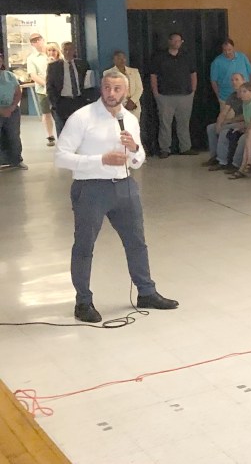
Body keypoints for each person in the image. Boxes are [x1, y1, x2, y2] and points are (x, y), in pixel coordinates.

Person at [54, 69, 179, 323]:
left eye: (117, 89)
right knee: (84, 246)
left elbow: (138, 160)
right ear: (101, 89)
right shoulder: (82, 118)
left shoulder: (130, 119)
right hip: (90, 188)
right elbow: (60, 156)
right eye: (107, 88)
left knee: (137, 242)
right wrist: (100, 159)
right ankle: (83, 302)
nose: (112, 94)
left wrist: (134, 148)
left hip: (124, 187)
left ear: (126, 91)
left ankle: (146, 291)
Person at [148, 35, 198, 156]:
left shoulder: (187, 56)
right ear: (169, 41)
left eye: (179, 41)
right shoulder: (159, 57)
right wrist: (155, 92)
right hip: (165, 96)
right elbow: (153, 75)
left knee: (184, 123)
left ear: (182, 42)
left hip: (185, 95)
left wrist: (193, 90)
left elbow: (193, 73)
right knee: (165, 123)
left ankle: (185, 148)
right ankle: (165, 149)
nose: (177, 43)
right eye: (174, 40)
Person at [46, 41, 93, 135]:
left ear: (74, 50)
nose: (68, 52)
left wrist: (87, 100)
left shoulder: (82, 64)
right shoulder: (54, 66)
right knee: (63, 132)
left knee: (80, 130)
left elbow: (88, 83)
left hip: (79, 101)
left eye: (70, 49)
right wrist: (55, 103)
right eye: (65, 50)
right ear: (62, 51)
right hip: (63, 102)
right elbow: (50, 86)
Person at [203, 72, 246, 171]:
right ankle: (214, 156)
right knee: (211, 128)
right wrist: (219, 123)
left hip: (245, 122)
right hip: (234, 121)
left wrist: (228, 121)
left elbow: (247, 115)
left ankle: (223, 161)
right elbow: (224, 112)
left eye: (236, 79)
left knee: (224, 130)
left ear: (243, 81)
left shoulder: (248, 94)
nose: (234, 82)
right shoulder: (232, 96)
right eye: (232, 80)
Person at [25, 34, 55, 146]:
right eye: (34, 41)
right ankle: (50, 136)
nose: (37, 42)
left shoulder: (53, 51)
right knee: (46, 112)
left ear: (43, 39)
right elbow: (33, 75)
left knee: (60, 112)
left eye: (38, 39)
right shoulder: (31, 59)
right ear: (32, 44)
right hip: (43, 90)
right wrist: (46, 85)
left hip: (57, 89)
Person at [209, 38, 251, 104]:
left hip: (244, 96)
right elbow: (213, 81)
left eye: (229, 50)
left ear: (233, 48)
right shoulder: (216, 62)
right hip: (226, 97)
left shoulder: (242, 57)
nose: (227, 52)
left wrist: (250, 90)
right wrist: (218, 96)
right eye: (224, 50)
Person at [0, 58, 25, 170]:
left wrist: (12, 107)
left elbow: (18, 92)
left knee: (14, 136)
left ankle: (16, 160)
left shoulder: (9, 76)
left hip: (12, 110)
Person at [104, 51, 143, 120]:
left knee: (134, 128)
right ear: (114, 60)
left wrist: (132, 101)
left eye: (123, 58)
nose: (122, 61)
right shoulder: (108, 73)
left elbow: (139, 88)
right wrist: (124, 103)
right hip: (118, 105)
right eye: (119, 58)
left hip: (134, 105)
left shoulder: (134, 72)